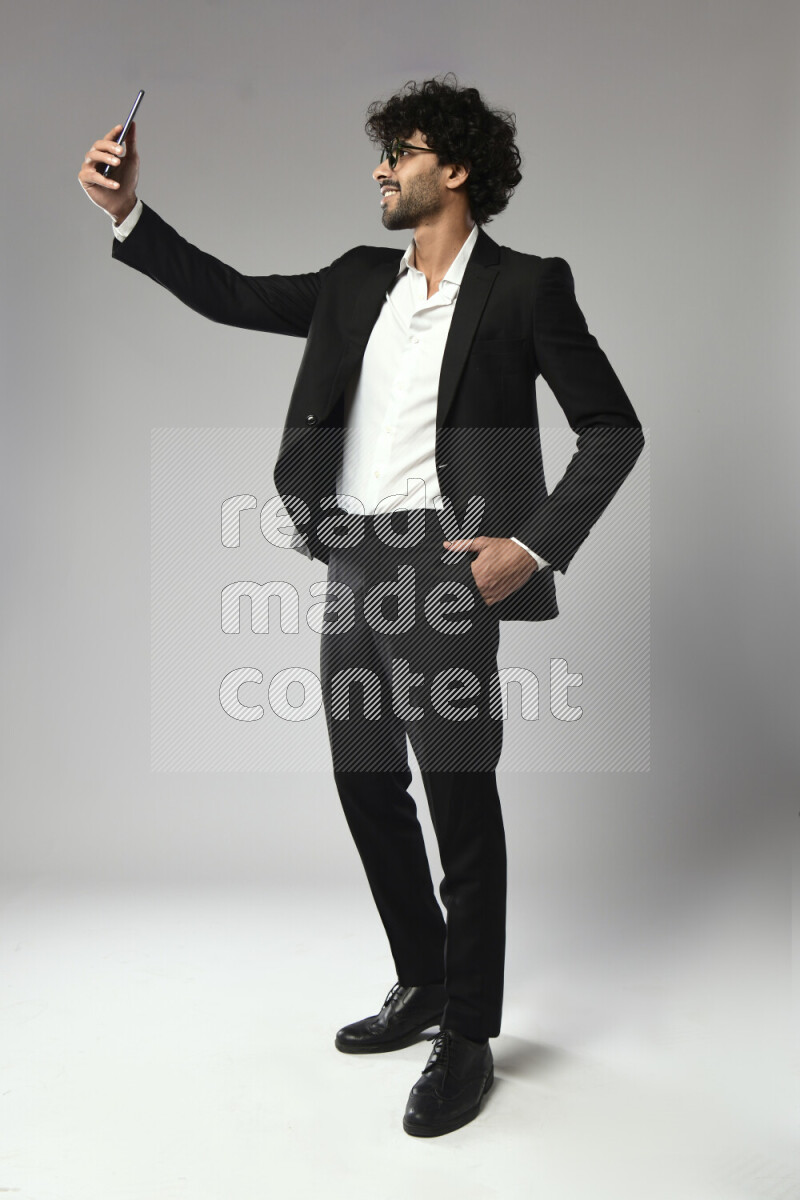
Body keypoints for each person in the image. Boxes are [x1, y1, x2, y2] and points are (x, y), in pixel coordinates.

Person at [78, 75, 644, 1137]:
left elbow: (611, 427)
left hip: (446, 565)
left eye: (400, 151)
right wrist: (126, 216)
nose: (379, 170)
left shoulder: (524, 289)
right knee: (364, 782)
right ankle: (423, 982)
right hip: (352, 560)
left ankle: (467, 1034)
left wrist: (525, 547)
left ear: (456, 170)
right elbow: (228, 293)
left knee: (457, 801)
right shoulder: (351, 284)